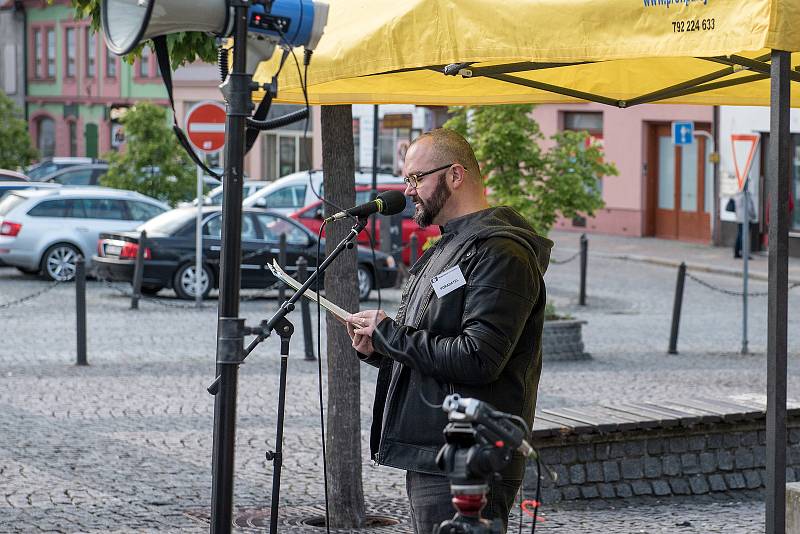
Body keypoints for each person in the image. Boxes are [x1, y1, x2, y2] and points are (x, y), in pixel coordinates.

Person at [345, 129, 552, 534]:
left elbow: (479, 357)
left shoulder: (500, 252)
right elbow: (430, 343)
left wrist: (392, 335)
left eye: (416, 179)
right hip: (435, 451)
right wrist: (378, 347)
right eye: (407, 180)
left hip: (471, 456)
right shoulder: (446, 247)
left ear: (456, 175)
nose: (408, 192)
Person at [731, 187, 757, 259]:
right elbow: (749, 207)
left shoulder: (737, 195)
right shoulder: (746, 195)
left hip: (739, 218)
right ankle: (745, 254)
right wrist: (754, 215)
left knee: (740, 235)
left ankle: (736, 253)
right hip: (746, 218)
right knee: (744, 237)